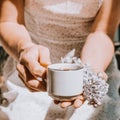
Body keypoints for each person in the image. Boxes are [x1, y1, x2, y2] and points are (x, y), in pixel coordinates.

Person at [0, 0, 120, 119]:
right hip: (31, 72)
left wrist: (90, 73)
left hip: (94, 63)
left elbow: (102, 32)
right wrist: (25, 47)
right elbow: (8, 21)